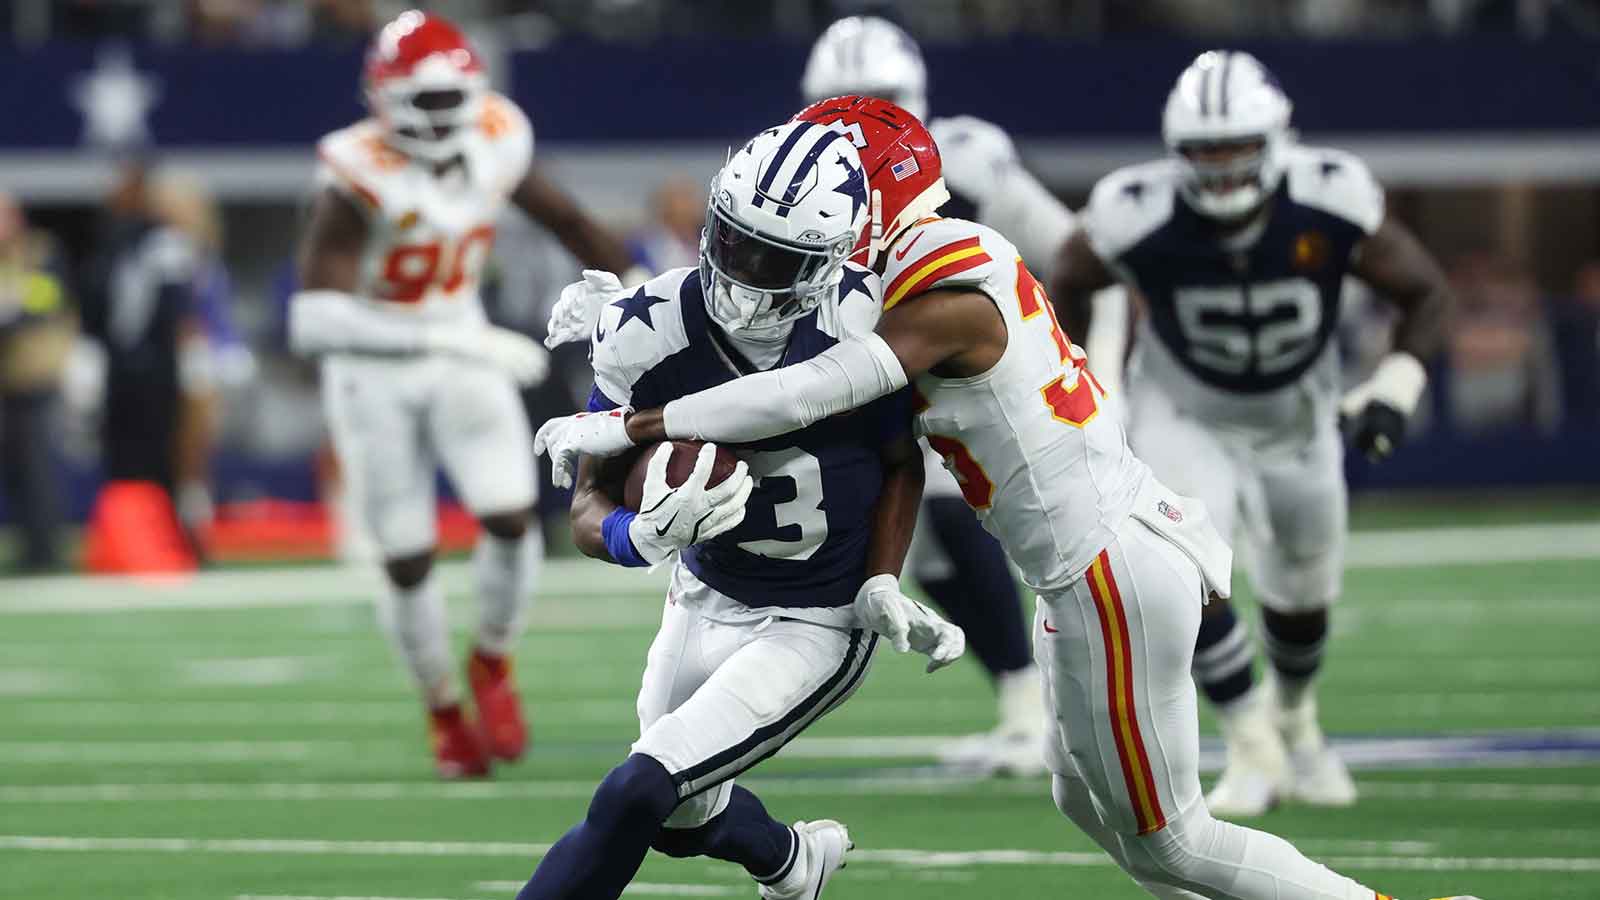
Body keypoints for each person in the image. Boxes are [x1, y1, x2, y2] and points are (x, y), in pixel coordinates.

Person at [537, 95, 1478, 900]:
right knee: (1090, 805)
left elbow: (803, 393)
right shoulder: (923, 261)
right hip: (1080, 562)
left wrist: (628, 426)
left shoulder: (943, 290)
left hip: (1103, 561)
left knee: (1176, 838)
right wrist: (629, 313)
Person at [513, 119, 951, 900]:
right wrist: (632, 535)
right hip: (706, 592)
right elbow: (589, 497)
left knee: (636, 792)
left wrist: (881, 581)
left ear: (830, 259)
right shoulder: (647, 327)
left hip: (818, 617)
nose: (746, 270)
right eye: (735, 240)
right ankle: (790, 859)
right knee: (679, 822)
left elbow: (898, 463)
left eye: (775, 258)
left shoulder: (864, 319)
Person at [1050, 50, 1455, 817]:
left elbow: (1426, 291)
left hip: (1298, 414)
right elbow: (1067, 279)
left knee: (1303, 590)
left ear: (1276, 140)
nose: (1222, 166)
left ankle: (1296, 721)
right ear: (1177, 151)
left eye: (1237, 146)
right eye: (1205, 150)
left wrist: (1396, 388)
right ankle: (1249, 740)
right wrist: (1080, 377)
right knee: (1185, 574)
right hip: (1184, 410)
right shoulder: (1136, 210)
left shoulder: (1329, 196)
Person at [288, 10, 637, 779]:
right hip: (373, 368)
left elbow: (570, 220)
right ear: (385, 98)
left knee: (511, 516)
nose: (446, 119)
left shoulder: (498, 134)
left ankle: (493, 661)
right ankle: (444, 708)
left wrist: (647, 295)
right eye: (429, 102)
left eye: (454, 102)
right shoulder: (354, 171)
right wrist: (454, 338)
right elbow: (315, 318)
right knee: (408, 555)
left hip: (464, 349)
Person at [0, 192, 73, 571]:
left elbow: (45, 300)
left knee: (40, 467)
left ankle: (47, 551)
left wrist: (14, 307)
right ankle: (28, 547)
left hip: (39, 374)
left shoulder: (41, 251)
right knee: (15, 469)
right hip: (7, 379)